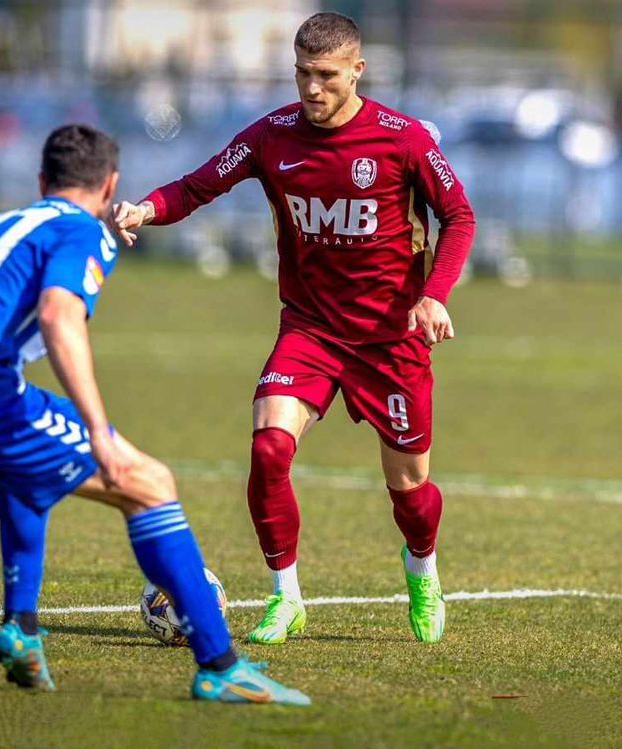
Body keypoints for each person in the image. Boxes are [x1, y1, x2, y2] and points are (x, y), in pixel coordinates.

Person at [0, 124, 309, 704]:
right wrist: (99, 432)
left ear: (41, 181)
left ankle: (22, 630)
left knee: (27, 476)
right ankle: (220, 666)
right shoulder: (82, 231)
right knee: (149, 483)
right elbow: (60, 318)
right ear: (111, 186)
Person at [114, 12, 475, 646]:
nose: (312, 89)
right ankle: (286, 598)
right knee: (268, 450)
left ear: (357, 71)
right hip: (309, 329)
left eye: (327, 76)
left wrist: (434, 296)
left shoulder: (404, 139)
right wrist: (147, 207)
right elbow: (198, 186)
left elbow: (459, 216)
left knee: (411, 489)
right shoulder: (273, 135)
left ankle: (422, 572)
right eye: (303, 74)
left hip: (391, 339)